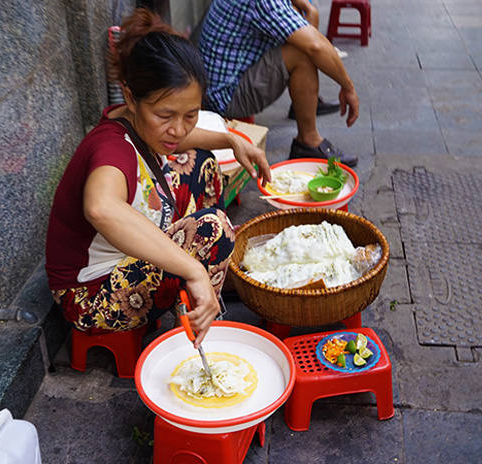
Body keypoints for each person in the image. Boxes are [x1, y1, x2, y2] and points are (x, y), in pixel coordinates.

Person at [45, 8, 270, 347]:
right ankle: (203, 310)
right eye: (165, 115)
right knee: (214, 228)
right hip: (90, 296)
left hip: (126, 257)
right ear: (131, 97)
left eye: (190, 115)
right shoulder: (111, 150)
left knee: (201, 162)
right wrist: (193, 270)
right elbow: (101, 208)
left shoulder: (139, 125)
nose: (178, 128)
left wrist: (231, 140)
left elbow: (181, 139)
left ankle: (207, 282)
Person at [199, 0, 361, 166]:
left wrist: (311, 11)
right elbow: (315, 46)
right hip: (224, 96)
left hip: (221, 82)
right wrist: (348, 87)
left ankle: (306, 102)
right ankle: (308, 141)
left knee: (301, 24)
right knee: (302, 54)